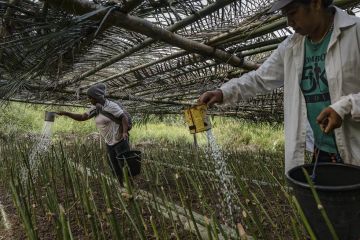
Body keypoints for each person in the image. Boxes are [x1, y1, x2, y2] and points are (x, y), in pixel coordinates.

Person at [198, 0, 360, 173]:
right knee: (324, 199)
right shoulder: (291, 46)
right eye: (285, 16)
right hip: (323, 152)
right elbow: (259, 78)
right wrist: (223, 92)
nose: (289, 23)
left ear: (316, 3)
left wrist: (345, 106)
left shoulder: (355, 31)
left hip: (356, 149)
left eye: (292, 13)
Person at [57, 83, 131, 185]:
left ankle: (130, 185)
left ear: (97, 97)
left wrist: (124, 132)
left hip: (119, 140)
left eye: (91, 98)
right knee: (113, 165)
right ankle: (121, 184)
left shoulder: (111, 106)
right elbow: (83, 117)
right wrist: (66, 113)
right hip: (109, 142)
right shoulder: (95, 108)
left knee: (124, 164)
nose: (89, 100)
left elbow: (124, 117)